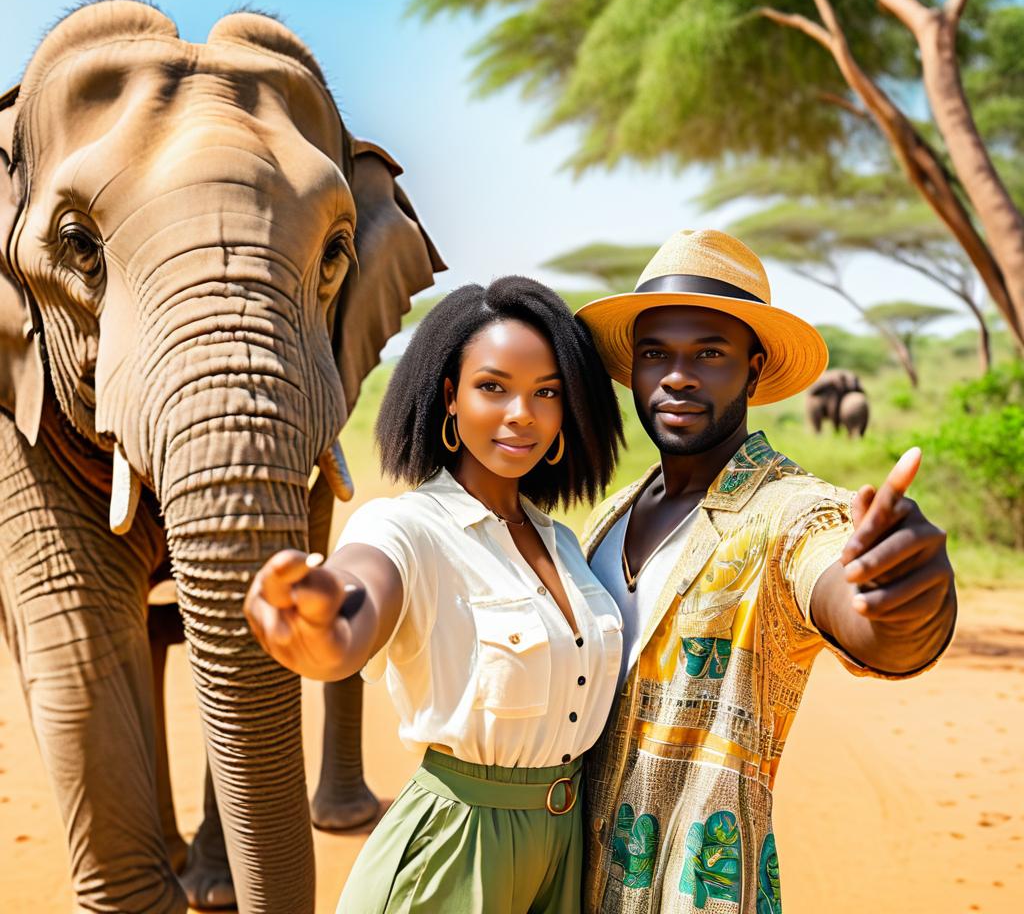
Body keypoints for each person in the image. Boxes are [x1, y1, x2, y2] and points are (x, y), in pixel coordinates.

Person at [573, 229, 956, 914]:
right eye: (656, 353)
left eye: (710, 354)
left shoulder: (788, 511)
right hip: (570, 879)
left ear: (752, 371)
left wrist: (903, 604)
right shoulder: (605, 519)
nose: (678, 376)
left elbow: (850, 598)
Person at [244, 276, 626, 914]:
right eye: (493, 387)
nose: (521, 415)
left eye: (547, 393)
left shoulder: (563, 544)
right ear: (451, 396)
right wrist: (323, 628)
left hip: (566, 847)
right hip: (454, 854)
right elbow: (358, 595)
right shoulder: (408, 528)